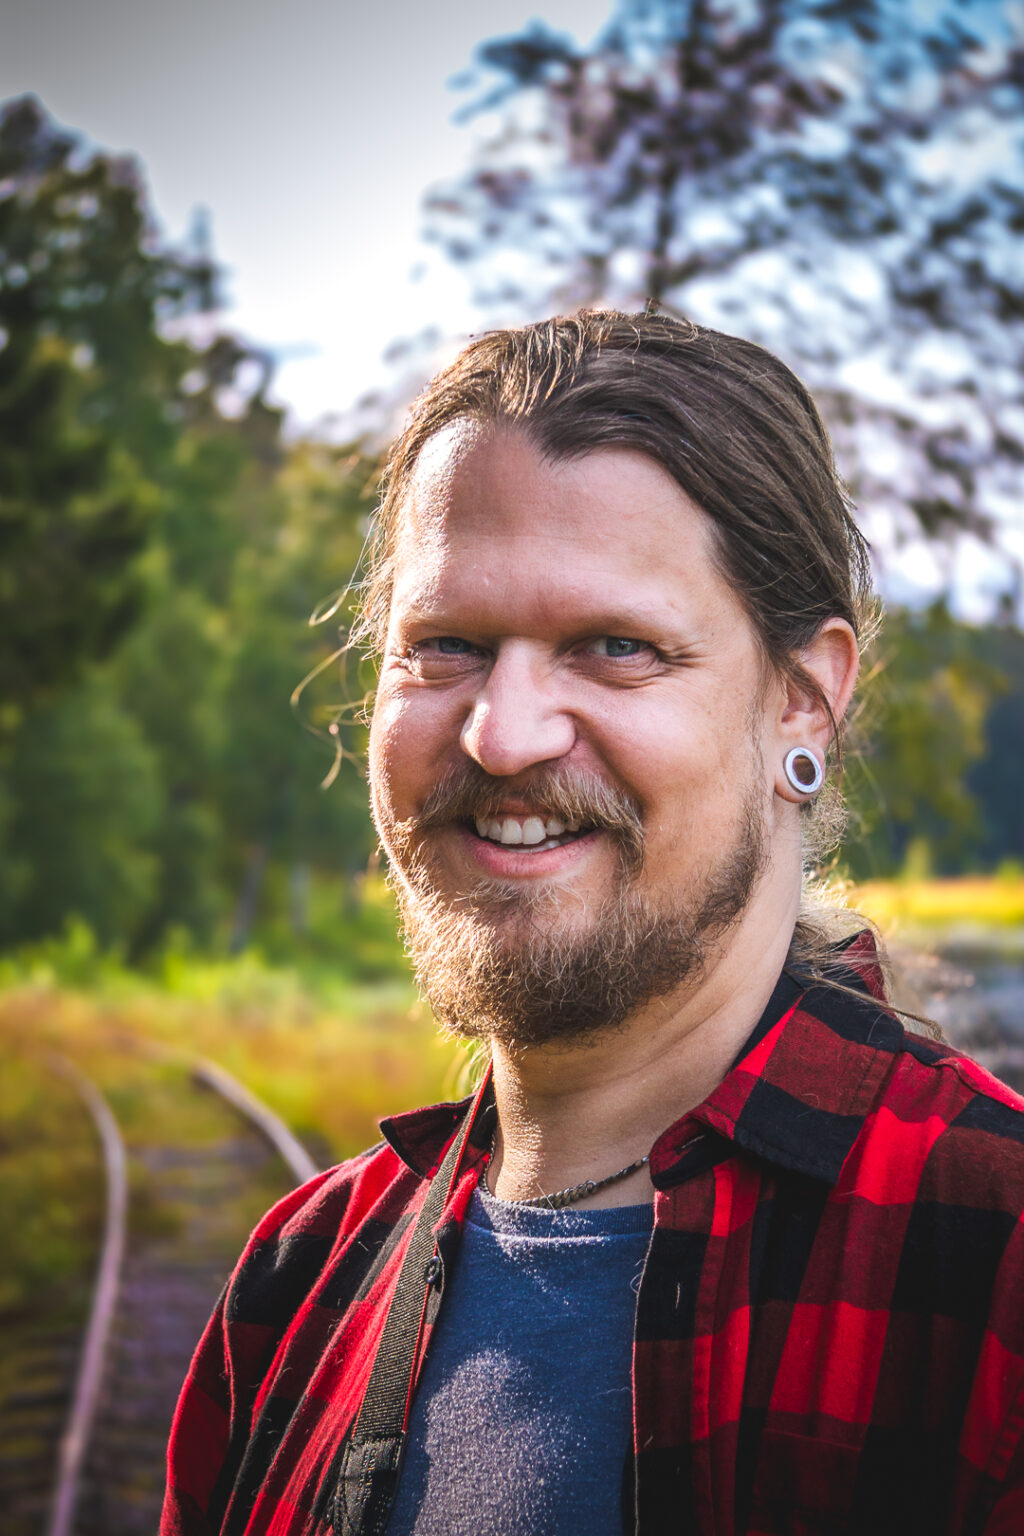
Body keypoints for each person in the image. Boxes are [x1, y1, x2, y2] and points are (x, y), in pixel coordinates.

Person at [161, 311, 1024, 1536]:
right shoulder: (297, 1282)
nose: (503, 734)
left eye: (615, 647)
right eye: (444, 646)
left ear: (802, 700)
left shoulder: (990, 1253)